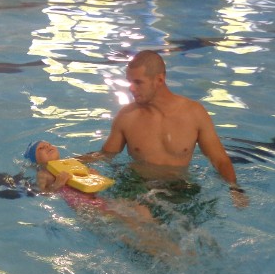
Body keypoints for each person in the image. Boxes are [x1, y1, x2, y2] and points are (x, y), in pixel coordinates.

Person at [97, 50, 247, 206]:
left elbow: (219, 159)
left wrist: (235, 188)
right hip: (136, 185)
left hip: (178, 188)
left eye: (138, 82)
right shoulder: (127, 116)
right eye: (130, 82)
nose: (131, 88)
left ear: (159, 79)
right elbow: (105, 155)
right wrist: (79, 164)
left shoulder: (194, 114)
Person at [25, 140, 182, 258]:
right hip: (86, 207)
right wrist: (58, 184)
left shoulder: (72, 164)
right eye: (41, 148)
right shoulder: (44, 174)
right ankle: (163, 253)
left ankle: (165, 237)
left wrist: (94, 177)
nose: (47, 147)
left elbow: (92, 186)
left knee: (140, 208)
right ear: (36, 160)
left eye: (48, 144)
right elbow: (44, 194)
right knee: (128, 223)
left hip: (100, 200)